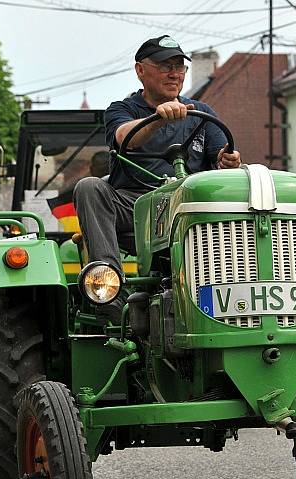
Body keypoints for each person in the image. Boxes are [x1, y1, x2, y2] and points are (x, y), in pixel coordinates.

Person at [73, 34, 241, 319]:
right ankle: (109, 289)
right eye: (165, 66)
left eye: (179, 66)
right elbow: (125, 136)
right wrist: (159, 119)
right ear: (140, 70)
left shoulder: (201, 112)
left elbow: (221, 158)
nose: (174, 73)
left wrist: (230, 161)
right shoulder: (122, 109)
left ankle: (236, 291)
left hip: (188, 204)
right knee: (89, 187)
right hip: (135, 205)